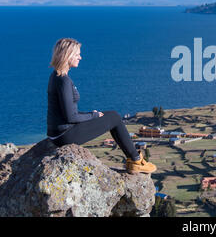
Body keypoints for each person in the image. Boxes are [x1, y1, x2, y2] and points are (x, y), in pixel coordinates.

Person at [47, 37, 156, 174]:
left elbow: (67, 113)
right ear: (67, 55)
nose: (80, 57)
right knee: (115, 117)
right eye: (77, 54)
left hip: (57, 134)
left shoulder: (55, 76)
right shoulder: (64, 81)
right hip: (65, 136)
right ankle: (135, 160)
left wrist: (92, 115)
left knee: (109, 115)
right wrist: (93, 115)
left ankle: (134, 159)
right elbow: (70, 117)